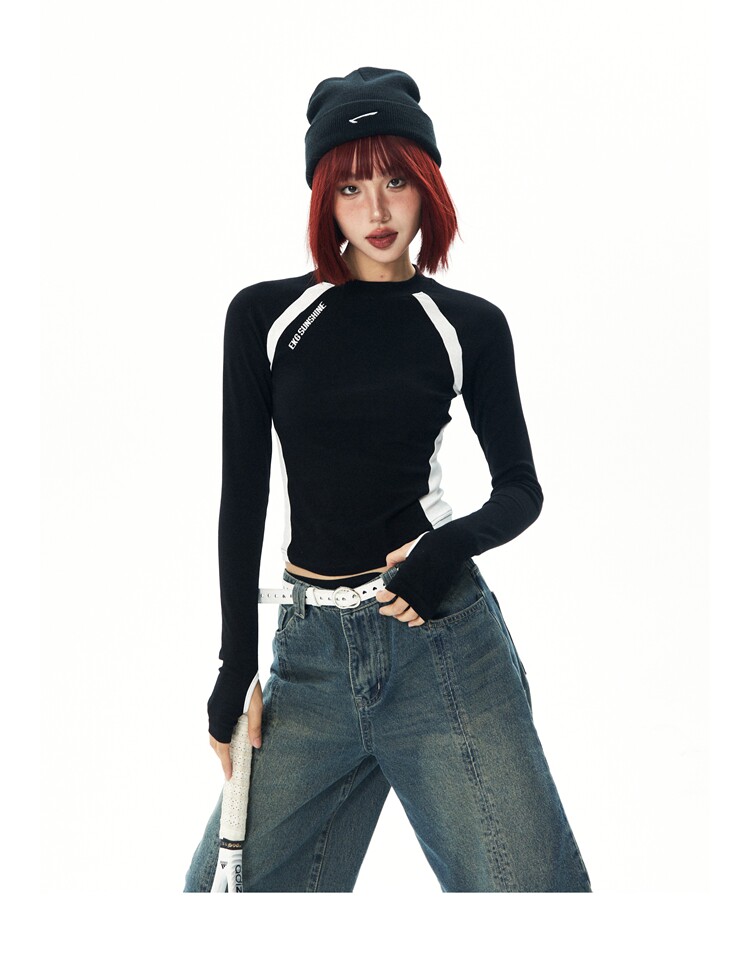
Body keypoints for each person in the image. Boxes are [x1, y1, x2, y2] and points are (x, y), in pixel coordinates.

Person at [184, 66, 591, 893]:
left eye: (396, 181)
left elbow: (521, 487)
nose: (377, 210)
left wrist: (447, 548)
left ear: (427, 186)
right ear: (323, 200)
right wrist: (235, 666)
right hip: (310, 663)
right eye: (351, 187)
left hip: (442, 646)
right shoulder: (265, 317)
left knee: (535, 905)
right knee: (220, 904)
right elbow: (243, 499)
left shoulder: (467, 324)